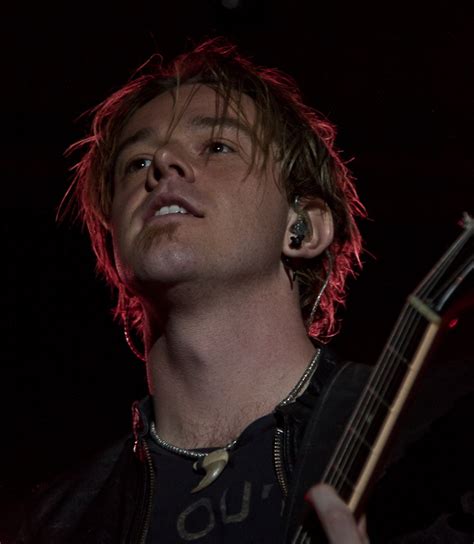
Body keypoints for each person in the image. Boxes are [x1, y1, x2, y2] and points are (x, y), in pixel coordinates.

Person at [17, 37, 473, 543]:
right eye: (136, 163)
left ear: (303, 227)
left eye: (217, 146)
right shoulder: (57, 524)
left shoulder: (438, 431)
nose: (165, 163)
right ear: (113, 247)